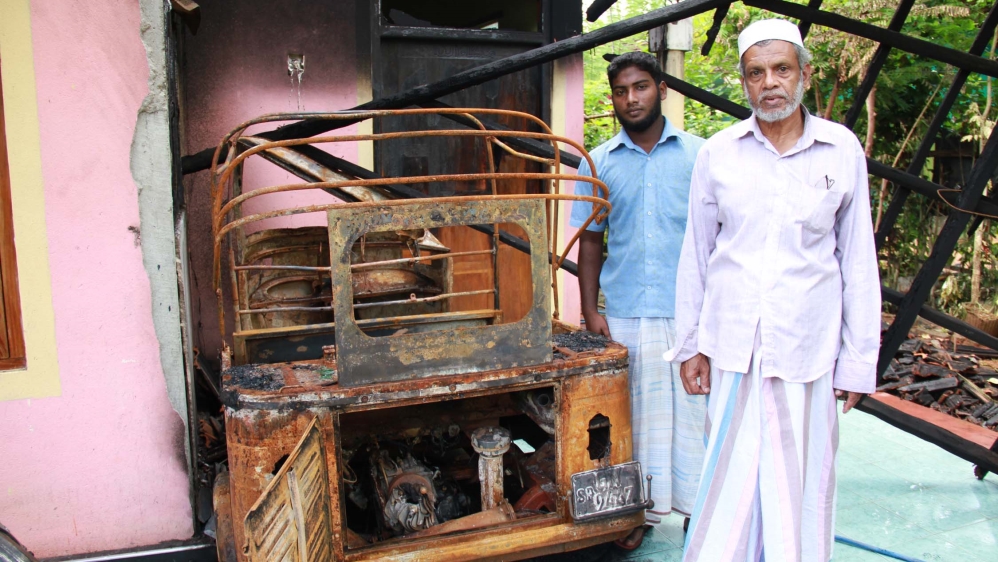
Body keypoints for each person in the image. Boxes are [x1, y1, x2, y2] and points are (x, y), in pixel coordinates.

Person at [664, 19, 881, 562]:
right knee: (729, 487)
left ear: (804, 74)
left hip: (807, 350)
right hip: (732, 346)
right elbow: (696, 255)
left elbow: (857, 261)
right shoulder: (720, 153)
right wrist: (689, 345)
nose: (770, 83)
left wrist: (858, 362)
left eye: (781, 69)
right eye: (756, 73)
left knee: (798, 489)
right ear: (744, 83)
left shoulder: (840, 149)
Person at [570, 51, 707, 549]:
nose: (632, 98)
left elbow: (720, 238)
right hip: (626, 313)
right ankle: (634, 514)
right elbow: (590, 242)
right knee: (631, 421)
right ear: (613, 99)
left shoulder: (701, 156)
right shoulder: (599, 163)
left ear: (662, 89)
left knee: (697, 417)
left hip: (690, 313)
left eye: (641, 87)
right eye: (621, 91)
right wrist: (591, 311)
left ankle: (700, 512)